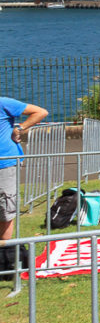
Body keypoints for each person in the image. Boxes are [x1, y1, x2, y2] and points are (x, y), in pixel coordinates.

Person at [1, 97, 47, 251]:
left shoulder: (4, 103)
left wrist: (20, 128)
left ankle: (4, 254)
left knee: (5, 209)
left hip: (5, 164)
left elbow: (40, 112)